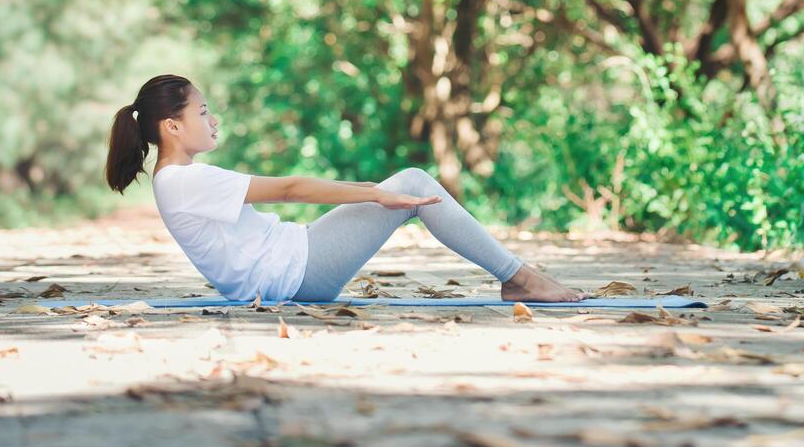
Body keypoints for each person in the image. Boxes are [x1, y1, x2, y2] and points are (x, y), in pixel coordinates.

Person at [105, 74, 586, 304]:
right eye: (202, 112)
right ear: (171, 125)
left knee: (405, 185)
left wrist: (377, 190)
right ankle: (518, 277)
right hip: (294, 274)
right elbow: (291, 189)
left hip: (294, 259)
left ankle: (518, 276)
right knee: (414, 182)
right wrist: (379, 196)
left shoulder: (180, 180)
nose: (213, 120)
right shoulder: (185, 181)